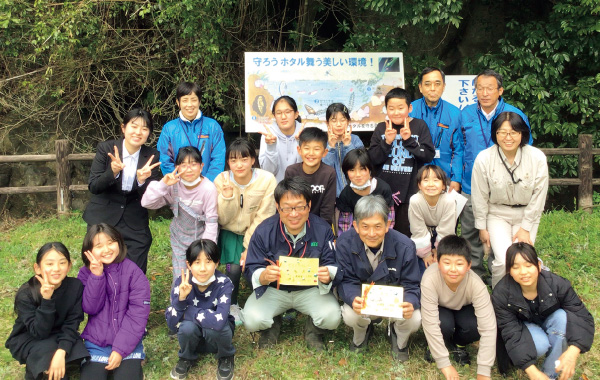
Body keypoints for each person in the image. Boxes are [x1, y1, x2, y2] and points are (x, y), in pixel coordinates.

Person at [240, 177, 340, 352]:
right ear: (278, 207)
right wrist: (262, 276)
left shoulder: (323, 230)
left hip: (310, 290)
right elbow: (250, 267)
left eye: (300, 207)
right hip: (274, 290)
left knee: (332, 317)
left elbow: (333, 264)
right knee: (252, 320)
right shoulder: (264, 231)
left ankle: (313, 331)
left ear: (309, 206)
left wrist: (328, 274)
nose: (294, 214)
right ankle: (273, 323)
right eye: (286, 208)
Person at [459, 69, 533, 280]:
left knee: (499, 236)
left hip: (503, 189)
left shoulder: (514, 115)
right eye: (479, 88)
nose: (484, 93)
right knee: (471, 233)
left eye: (490, 88)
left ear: (500, 90)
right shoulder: (466, 114)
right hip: (470, 185)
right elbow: (458, 147)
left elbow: (526, 147)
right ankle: (474, 276)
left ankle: (498, 275)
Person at [336, 195, 421, 361]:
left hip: (393, 305)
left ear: (387, 225)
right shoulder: (344, 243)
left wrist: (410, 302)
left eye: (377, 226)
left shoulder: (405, 246)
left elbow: (412, 284)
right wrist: (354, 299)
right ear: (355, 226)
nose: (372, 233)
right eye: (365, 227)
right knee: (350, 313)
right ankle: (361, 335)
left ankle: (399, 338)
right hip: (364, 301)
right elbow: (346, 280)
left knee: (415, 318)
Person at [492, 243, 594, 380]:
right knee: (540, 345)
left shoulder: (557, 284)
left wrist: (573, 350)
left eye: (528, 265)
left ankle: (550, 374)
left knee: (562, 317)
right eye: (516, 267)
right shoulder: (501, 294)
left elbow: (581, 316)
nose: (523, 272)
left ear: (539, 266)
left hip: (549, 321)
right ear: (509, 271)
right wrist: (532, 372)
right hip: (524, 328)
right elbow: (510, 333)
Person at [471, 112, 548, 287]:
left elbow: (539, 196)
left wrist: (526, 228)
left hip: (527, 214)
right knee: (503, 260)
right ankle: (500, 299)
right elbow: (479, 196)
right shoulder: (484, 158)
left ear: (522, 134)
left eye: (513, 132)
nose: (508, 137)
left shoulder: (537, 158)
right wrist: (482, 227)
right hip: (497, 214)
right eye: (502, 132)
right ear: (495, 134)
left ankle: (526, 294)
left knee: (522, 259)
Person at [83, 108, 161, 273]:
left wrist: (141, 181)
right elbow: (94, 186)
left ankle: (133, 297)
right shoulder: (106, 149)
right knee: (100, 266)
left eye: (144, 128)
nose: (138, 132)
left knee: (136, 268)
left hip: (134, 218)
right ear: (123, 128)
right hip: (103, 215)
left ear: (149, 134)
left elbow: (151, 199)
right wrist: (112, 172)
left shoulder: (152, 156)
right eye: (134, 126)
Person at [213, 138, 277, 323]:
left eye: (244, 159)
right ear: (228, 162)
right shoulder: (221, 180)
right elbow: (223, 219)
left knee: (256, 267)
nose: (239, 165)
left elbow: (264, 216)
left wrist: (249, 246)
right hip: (230, 232)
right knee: (233, 270)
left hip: (259, 232)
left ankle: (268, 302)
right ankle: (232, 304)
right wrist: (227, 197)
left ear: (253, 160)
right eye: (233, 160)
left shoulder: (266, 180)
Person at [6, 242, 89, 380]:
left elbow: (72, 323)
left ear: (69, 266)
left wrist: (61, 351)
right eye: (49, 264)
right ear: (37, 268)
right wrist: (46, 300)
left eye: (62, 263)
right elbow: (39, 332)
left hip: (58, 332)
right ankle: (37, 368)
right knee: (50, 363)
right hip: (31, 336)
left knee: (81, 351)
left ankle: (50, 360)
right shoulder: (26, 294)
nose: (56, 269)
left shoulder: (75, 286)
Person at [78, 223, 150, 380]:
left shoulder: (134, 272)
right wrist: (96, 276)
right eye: (99, 245)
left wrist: (120, 350)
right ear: (89, 250)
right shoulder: (85, 274)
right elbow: (90, 308)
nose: (107, 249)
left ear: (119, 243)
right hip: (96, 342)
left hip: (128, 342)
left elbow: (138, 315)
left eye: (111, 242)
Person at [420, 235, 496, 380]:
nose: (453, 269)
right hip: (440, 309)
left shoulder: (477, 285)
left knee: (474, 326)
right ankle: (435, 346)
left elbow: (488, 327)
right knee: (443, 326)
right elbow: (430, 321)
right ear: (438, 263)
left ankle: (459, 343)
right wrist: (444, 364)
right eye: (447, 263)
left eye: (459, 264)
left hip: (463, 309)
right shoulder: (429, 279)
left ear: (468, 266)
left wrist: (484, 372)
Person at [141, 146, 218, 282]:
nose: (189, 169)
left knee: (201, 274)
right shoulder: (172, 184)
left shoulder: (208, 188)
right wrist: (163, 184)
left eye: (193, 164)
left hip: (201, 236)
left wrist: (206, 249)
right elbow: (146, 203)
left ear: (201, 166)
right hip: (179, 236)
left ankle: (203, 302)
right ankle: (180, 301)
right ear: (177, 167)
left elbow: (211, 222)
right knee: (180, 275)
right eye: (184, 165)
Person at [368, 87, 435, 237]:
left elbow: (428, 156)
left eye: (400, 108)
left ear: (409, 107)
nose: (396, 112)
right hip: (383, 194)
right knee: (383, 233)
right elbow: (372, 159)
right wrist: (387, 142)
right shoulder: (381, 128)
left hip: (410, 192)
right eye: (391, 108)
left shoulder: (419, 126)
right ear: (386, 109)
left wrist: (409, 140)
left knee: (405, 234)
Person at [166, 240, 235, 380]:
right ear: (188, 265)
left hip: (216, 337)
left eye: (208, 261)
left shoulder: (224, 283)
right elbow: (171, 324)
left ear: (216, 263)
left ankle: (225, 356)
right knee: (186, 327)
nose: (203, 268)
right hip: (194, 337)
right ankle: (187, 357)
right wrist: (180, 300)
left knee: (217, 327)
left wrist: (188, 312)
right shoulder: (182, 282)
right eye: (197, 262)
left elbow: (220, 321)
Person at [157, 81, 226, 182]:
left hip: (208, 187)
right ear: (178, 102)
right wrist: (178, 181)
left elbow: (218, 158)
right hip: (178, 186)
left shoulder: (212, 126)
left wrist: (207, 183)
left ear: (199, 101)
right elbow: (164, 159)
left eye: (193, 100)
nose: (189, 105)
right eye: (185, 100)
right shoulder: (169, 128)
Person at [410, 67, 463, 193]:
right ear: (420, 87)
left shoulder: (455, 114)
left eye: (437, 84)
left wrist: (456, 178)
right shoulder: (410, 110)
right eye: (427, 84)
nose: (432, 88)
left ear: (443, 86)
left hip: (445, 177)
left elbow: (459, 149)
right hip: (415, 176)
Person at [408, 165, 456, 272]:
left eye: (436, 180)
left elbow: (446, 231)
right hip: (422, 235)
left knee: (445, 264)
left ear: (444, 185)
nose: (431, 184)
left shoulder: (449, 201)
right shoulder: (415, 201)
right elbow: (418, 230)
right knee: (423, 267)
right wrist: (426, 254)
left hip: (443, 235)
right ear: (419, 185)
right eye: (426, 180)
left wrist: (439, 252)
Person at [284, 127, 336, 225]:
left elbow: (327, 209)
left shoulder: (329, 173)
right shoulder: (291, 172)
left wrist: (322, 230)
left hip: (319, 224)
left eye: (316, 149)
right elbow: (288, 203)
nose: (311, 153)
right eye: (307, 148)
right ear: (299, 150)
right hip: (295, 222)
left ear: (325, 152)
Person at [336, 148, 395, 234]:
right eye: (352, 170)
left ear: (370, 169)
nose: (358, 175)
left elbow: (390, 220)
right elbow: (345, 225)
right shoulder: (345, 194)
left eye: (362, 169)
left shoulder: (383, 188)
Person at [322, 103, 364, 197]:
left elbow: (358, 165)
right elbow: (324, 170)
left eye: (342, 120)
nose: (338, 124)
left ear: (348, 121)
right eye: (334, 120)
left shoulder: (355, 140)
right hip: (332, 195)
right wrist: (331, 147)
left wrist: (348, 145)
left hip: (356, 192)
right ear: (327, 123)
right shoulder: (322, 142)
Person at [257, 95, 303, 182]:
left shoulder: (304, 132)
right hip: (275, 190)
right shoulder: (268, 135)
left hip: (300, 190)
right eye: (279, 113)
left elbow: (306, 169)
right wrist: (271, 147)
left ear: (296, 114)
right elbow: (268, 172)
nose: (283, 117)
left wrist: (301, 143)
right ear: (274, 116)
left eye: (288, 112)